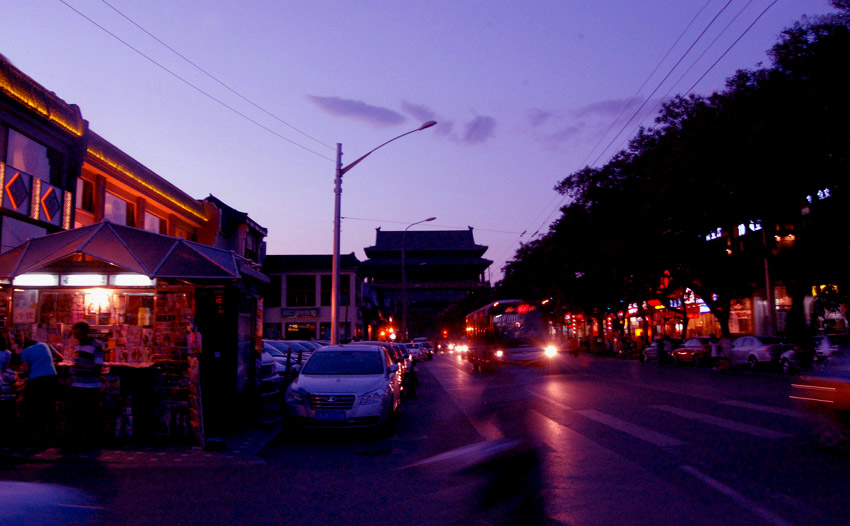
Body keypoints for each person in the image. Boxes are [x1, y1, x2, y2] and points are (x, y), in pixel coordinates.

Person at [65, 322, 104, 451]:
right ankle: (75, 441)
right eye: (75, 334)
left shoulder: (95, 346)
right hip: (77, 383)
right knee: (75, 414)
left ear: (86, 333)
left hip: (90, 385)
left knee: (90, 414)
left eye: (79, 334)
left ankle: (91, 441)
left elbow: (98, 365)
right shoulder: (77, 346)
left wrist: (84, 366)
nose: (77, 336)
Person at [18, 337, 63, 449]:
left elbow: (25, 368)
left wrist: (23, 374)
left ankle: (35, 438)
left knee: (34, 409)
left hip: (36, 380)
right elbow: (61, 358)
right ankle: (51, 437)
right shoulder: (46, 345)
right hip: (51, 378)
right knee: (50, 407)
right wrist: (50, 362)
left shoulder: (25, 351)